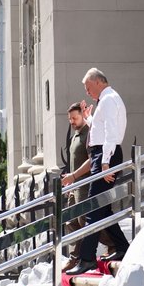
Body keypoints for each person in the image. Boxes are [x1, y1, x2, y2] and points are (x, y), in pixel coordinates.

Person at [65, 68, 130, 275]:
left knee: (93, 208)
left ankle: (87, 258)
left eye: (88, 87)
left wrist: (105, 163)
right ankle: (121, 247)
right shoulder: (107, 99)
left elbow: (111, 133)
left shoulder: (109, 99)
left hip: (104, 157)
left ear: (98, 82)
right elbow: (101, 131)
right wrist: (89, 118)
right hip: (101, 155)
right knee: (103, 208)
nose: (87, 92)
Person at [61, 102, 115, 272]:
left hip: (85, 184)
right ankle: (75, 257)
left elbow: (93, 159)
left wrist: (75, 176)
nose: (72, 121)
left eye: (75, 118)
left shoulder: (89, 134)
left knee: (85, 220)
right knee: (70, 220)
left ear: (82, 117)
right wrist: (71, 180)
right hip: (75, 186)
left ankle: (112, 244)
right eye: (70, 119)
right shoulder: (75, 137)